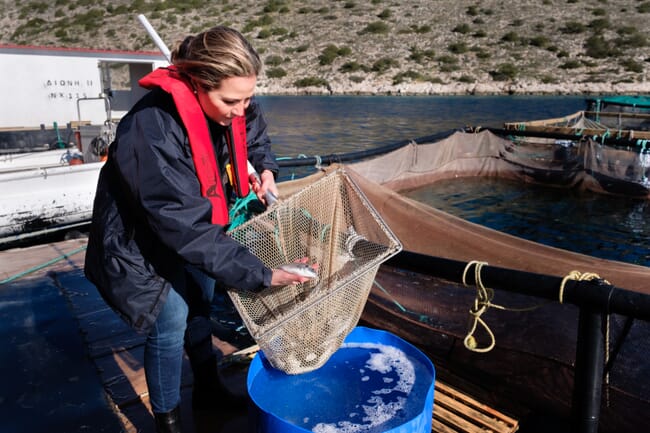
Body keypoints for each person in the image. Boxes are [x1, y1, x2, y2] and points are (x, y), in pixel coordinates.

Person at [84, 26, 313, 433]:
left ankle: (207, 391)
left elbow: (253, 132)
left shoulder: (235, 104)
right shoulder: (150, 129)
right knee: (169, 318)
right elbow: (184, 226)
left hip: (198, 225)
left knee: (201, 302)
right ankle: (167, 422)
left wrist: (265, 169)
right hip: (140, 239)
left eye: (247, 97)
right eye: (230, 100)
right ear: (196, 83)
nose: (240, 109)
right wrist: (262, 274)